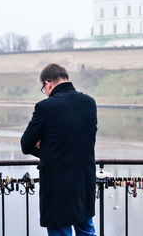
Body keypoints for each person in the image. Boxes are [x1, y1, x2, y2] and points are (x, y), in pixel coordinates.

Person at [21, 63, 97, 236]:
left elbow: (26, 145)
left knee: (60, 231)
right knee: (86, 231)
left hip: (58, 185)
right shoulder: (89, 102)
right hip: (84, 182)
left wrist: (47, 147)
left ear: (48, 84)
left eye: (44, 88)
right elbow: (83, 139)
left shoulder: (45, 107)